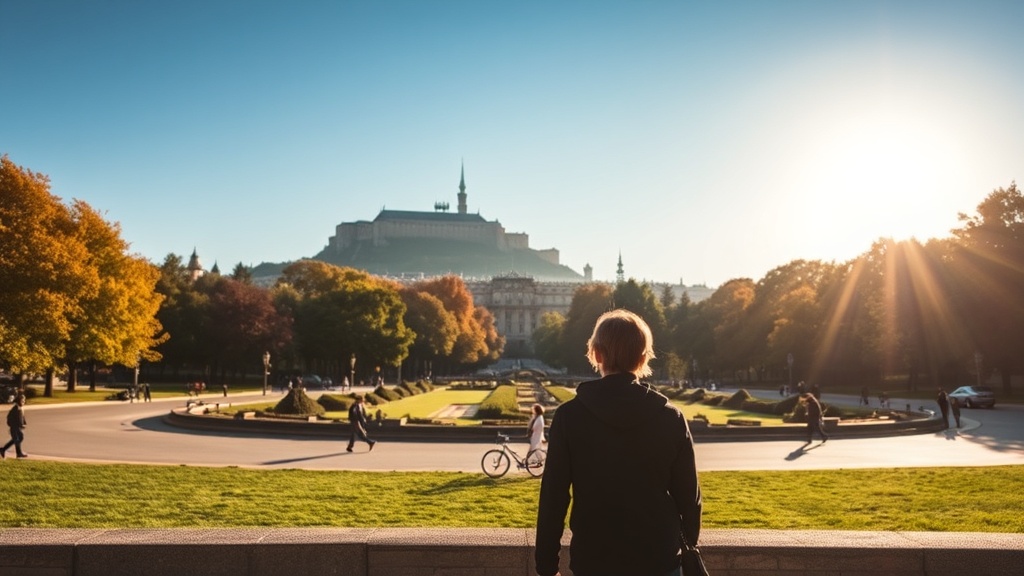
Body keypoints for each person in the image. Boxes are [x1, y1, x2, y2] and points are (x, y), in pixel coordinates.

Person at [535, 309, 701, 576]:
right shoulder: (671, 417)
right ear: (643, 357)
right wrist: (685, 547)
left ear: (596, 354)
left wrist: (546, 566)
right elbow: (689, 499)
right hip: (659, 559)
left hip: (593, 560)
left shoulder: (569, 417)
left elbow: (553, 498)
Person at [1, 395, 28, 459]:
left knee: (17, 439)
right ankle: (18, 453)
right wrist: (14, 425)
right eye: (22, 401)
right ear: (18, 401)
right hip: (14, 428)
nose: (23, 402)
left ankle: (3, 449)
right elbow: (10, 418)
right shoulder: (15, 409)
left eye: (24, 401)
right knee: (17, 439)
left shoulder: (20, 408)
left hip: (18, 427)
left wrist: (24, 423)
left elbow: (22, 417)